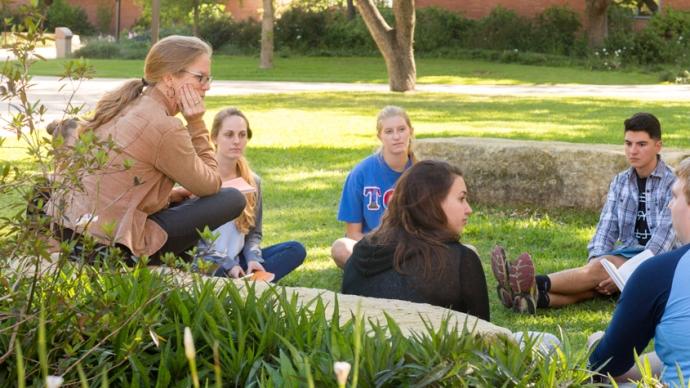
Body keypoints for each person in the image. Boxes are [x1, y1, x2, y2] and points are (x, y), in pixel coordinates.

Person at [48, 35, 246, 263]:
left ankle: (186, 268)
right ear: (170, 78)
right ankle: (159, 266)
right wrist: (196, 123)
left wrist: (170, 197)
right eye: (200, 78)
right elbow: (211, 185)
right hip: (105, 248)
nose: (207, 87)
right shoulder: (165, 127)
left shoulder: (128, 103)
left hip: (70, 231)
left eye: (209, 79)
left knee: (187, 204)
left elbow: (119, 182)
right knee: (231, 199)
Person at [491, 112, 677, 313]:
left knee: (603, 267)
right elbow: (605, 230)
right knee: (594, 282)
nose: (633, 151)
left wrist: (622, 274)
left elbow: (661, 246)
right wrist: (596, 265)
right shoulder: (620, 181)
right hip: (626, 256)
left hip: (665, 264)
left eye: (641, 144)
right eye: (628, 143)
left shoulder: (674, 183)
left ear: (658, 146)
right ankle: (531, 299)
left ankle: (526, 284)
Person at [341, 160, 490, 321]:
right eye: (461, 199)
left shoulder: (361, 253)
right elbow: (483, 334)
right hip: (431, 345)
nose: (469, 209)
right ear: (432, 203)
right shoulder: (460, 260)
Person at [588, 157, 690, 385]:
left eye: (675, 197)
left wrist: (597, 343)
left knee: (598, 355)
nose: (670, 206)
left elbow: (604, 365)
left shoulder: (660, 272)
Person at [195, 107, 306, 282]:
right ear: (214, 137)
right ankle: (243, 284)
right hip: (208, 263)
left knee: (295, 249)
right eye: (229, 135)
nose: (236, 141)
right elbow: (196, 242)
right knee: (215, 273)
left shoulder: (252, 181)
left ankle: (248, 279)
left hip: (239, 260)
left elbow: (254, 234)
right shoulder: (201, 179)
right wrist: (229, 264)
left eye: (242, 135)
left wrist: (254, 258)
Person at [331, 106, 416, 269]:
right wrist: (380, 251)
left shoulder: (422, 172)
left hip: (411, 248)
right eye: (389, 131)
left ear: (411, 131)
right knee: (340, 248)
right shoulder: (361, 173)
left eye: (401, 129)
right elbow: (353, 233)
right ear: (380, 136)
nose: (396, 137)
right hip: (372, 248)